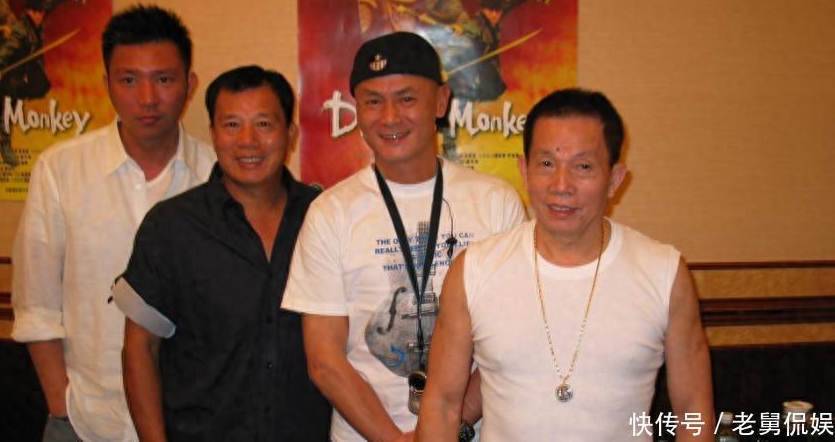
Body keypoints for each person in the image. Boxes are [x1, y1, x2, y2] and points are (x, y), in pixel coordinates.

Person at [414, 88, 715, 441]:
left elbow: (693, 408)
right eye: (546, 164)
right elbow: (442, 404)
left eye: (583, 166)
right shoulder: (474, 270)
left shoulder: (663, 273)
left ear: (615, 179)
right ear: (524, 171)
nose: (561, 185)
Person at [282, 31, 527, 441]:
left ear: (441, 101)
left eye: (407, 98)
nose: (390, 117)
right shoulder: (329, 213)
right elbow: (324, 361)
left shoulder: (496, 204)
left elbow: (511, 340)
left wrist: (451, 425)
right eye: (373, 101)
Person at [11, 5, 216, 442]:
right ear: (106, 84)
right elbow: (36, 305)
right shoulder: (60, 170)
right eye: (129, 80)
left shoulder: (216, 177)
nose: (147, 98)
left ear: (189, 84)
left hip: (188, 422)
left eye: (164, 79)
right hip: (84, 419)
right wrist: (61, 406)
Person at [113, 65, 332, 441]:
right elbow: (140, 349)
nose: (248, 141)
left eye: (263, 124)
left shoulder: (325, 218)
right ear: (213, 134)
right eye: (232, 125)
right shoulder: (171, 227)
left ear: (290, 134)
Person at [0, 0, 78, 166]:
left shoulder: (38, 16)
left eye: (41, 12)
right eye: (36, 12)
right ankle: (5, 145)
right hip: (7, 75)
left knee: (40, 88)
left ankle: (2, 118)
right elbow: (5, 52)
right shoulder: (19, 31)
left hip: (24, 71)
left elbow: (50, 1)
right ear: (28, 11)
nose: (40, 16)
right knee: (8, 110)